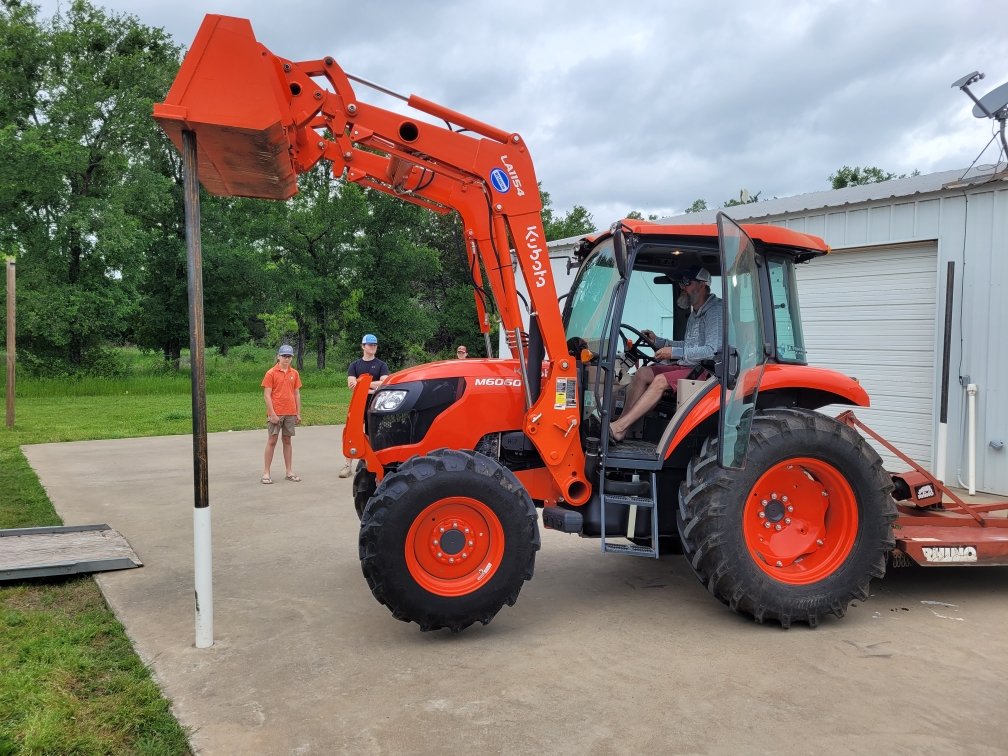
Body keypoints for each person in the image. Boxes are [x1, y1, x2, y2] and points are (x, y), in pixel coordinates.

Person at [609, 267, 722, 442]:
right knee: (642, 373)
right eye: (681, 283)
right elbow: (690, 345)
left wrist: (675, 352)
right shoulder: (695, 313)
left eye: (686, 283)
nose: (682, 287)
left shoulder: (715, 311)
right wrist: (659, 341)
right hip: (689, 365)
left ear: (702, 285)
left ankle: (620, 427)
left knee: (660, 381)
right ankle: (620, 425)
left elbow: (711, 350)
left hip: (706, 371)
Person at [340, 333, 389, 478]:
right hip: (358, 403)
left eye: (375, 345)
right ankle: (347, 465)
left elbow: (384, 382)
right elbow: (351, 384)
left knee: (371, 432)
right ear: (363, 346)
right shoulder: (355, 365)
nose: (373, 347)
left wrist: (363, 383)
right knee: (352, 431)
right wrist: (371, 385)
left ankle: (368, 462)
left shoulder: (381, 365)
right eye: (370, 345)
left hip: (374, 402)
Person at [261, 344, 302, 483]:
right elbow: (267, 395)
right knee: (272, 440)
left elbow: (297, 393)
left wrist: (298, 412)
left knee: (287, 440)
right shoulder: (271, 373)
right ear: (278, 356)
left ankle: (289, 471)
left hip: (290, 412)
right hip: (276, 412)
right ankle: (266, 473)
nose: (286, 359)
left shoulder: (294, 373)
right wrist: (272, 413)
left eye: (289, 356)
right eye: (284, 356)